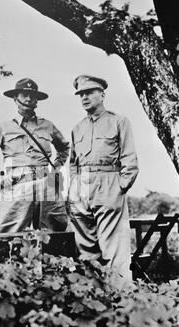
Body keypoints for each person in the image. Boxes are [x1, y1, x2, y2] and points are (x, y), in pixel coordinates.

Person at [0, 78, 70, 233]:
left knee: (54, 232)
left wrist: (56, 168)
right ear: (15, 98)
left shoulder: (47, 126)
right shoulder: (5, 127)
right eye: (24, 95)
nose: (29, 99)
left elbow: (64, 148)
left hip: (46, 184)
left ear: (37, 100)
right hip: (16, 185)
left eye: (32, 95)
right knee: (9, 235)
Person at [68, 74, 139, 284]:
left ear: (102, 94)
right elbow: (73, 163)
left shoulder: (119, 121)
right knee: (86, 250)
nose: (84, 97)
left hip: (108, 183)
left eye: (89, 92)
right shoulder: (77, 127)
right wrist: (73, 187)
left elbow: (130, 160)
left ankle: (121, 303)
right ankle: (95, 300)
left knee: (114, 249)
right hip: (81, 187)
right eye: (81, 94)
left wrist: (119, 187)